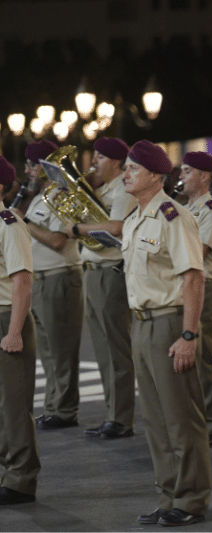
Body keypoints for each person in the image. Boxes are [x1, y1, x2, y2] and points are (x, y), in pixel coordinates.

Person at [121, 140, 211, 526]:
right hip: (141, 324)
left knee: (180, 418)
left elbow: (193, 277)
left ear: (156, 176)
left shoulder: (174, 216)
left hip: (170, 323)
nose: (125, 174)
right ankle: (168, 495)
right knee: (156, 420)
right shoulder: (134, 218)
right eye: (125, 168)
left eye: (133, 169)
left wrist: (189, 335)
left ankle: (190, 500)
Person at [14, 140, 83, 430]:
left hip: (59, 277)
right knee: (49, 350)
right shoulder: (43, 197)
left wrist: (24, 223)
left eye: (32, 165)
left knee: (62, 347)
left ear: (45, 167)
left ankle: (64, 410)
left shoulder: (66, 196)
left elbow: (57, 240)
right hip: (42, 278)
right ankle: (53, 405)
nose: (28, 170)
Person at [71, 137, 138, 439]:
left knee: (116, 347)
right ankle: (113, 414)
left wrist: (78, 229)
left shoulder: (123, 190)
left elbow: (117, 228)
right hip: (93, 271)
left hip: (111, 271)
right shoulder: (100, 191)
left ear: (114, 161)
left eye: (99, 156)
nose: (94, 162)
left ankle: (122, 418)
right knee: (102, 348)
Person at [180, 151, 212, 448]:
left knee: (206, 356)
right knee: (189, 359)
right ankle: (196, 419)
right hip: (183, 287)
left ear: (204, 176)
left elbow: (197, 255)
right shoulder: (185, 208)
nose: (181, 177)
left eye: (187, 172)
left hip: (203, 286)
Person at [0, 157, 40, 505]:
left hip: (6, 317)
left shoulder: (9, 223)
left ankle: (20, 480)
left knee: (14, 404)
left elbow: (22, 281)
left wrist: (15, 331)